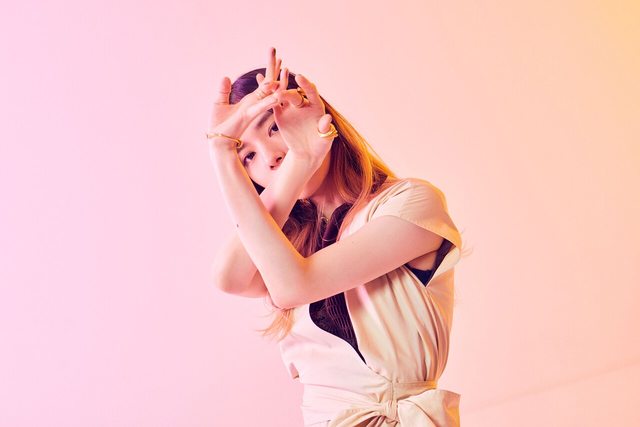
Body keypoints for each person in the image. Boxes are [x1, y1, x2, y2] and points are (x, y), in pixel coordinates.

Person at [208, 47, 465, 426]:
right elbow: (229, 277)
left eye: (274, 127)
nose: (269, 157)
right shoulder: (286, 247)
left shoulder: (409, 203)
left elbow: (294, 286)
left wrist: (301, 157)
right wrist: (223, 151)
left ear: (316, 113)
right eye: (248, 156)